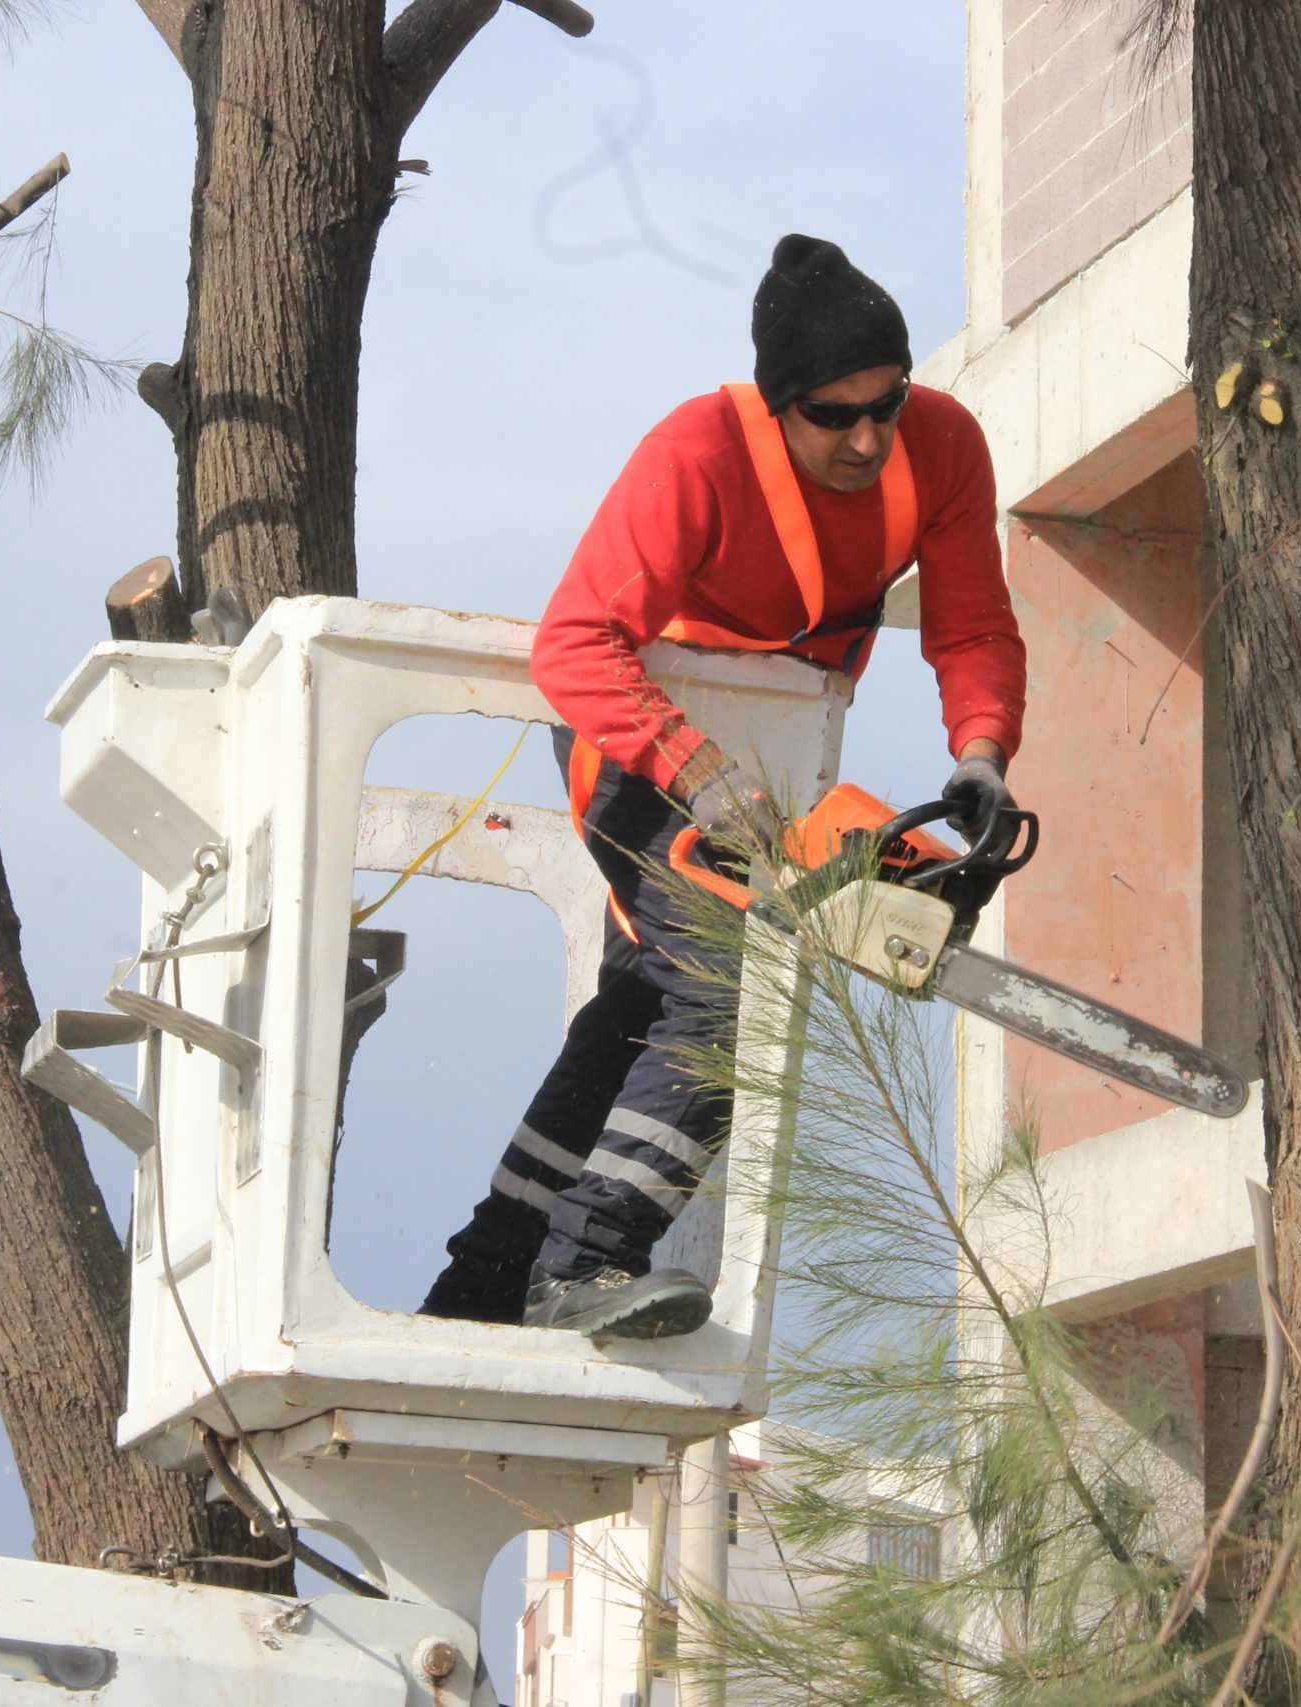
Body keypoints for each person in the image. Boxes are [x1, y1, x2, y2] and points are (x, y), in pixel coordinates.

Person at [419, 235, 1027, 1341]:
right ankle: (585, 1265)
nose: (868, 438)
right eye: (835, 416)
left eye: (886, 406)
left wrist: (981, 753)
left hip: (776, 767)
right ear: (778, 403)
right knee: (726, 984)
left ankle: (486, 1280)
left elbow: (975, 624)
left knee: (639, 1011)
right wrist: (699, 776)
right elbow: (575, 645)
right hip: (637, 745)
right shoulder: (696, 454)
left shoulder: (942, 448)